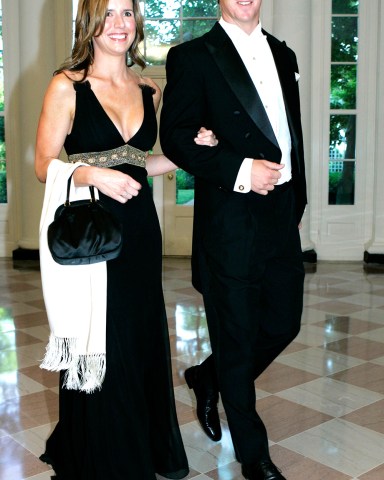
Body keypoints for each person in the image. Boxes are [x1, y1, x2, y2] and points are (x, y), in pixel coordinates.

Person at [34, 1, 218, 479]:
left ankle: (142, 444)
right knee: (101, 339)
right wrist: (92, 173)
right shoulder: (66, 86)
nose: (119, 24)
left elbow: (140, 165)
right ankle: (102, 453)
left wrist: (184, 155)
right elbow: (42, 165)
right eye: (108, 14)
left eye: (127, 14)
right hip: (92, 237)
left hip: (138, 233)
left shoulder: (147, 89)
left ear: (137, 24)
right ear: (90, 24)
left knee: (137, 339)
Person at [160, 1, 307, 479]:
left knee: (284, 322)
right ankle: (253, 456)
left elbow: (291, 132)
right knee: (238, 337)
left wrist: (297, 197)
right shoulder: (192, 57)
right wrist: (241, 170)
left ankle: (207, 376)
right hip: (230, 216)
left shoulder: (283, 55)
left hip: (281, 212)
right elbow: (177, 138)